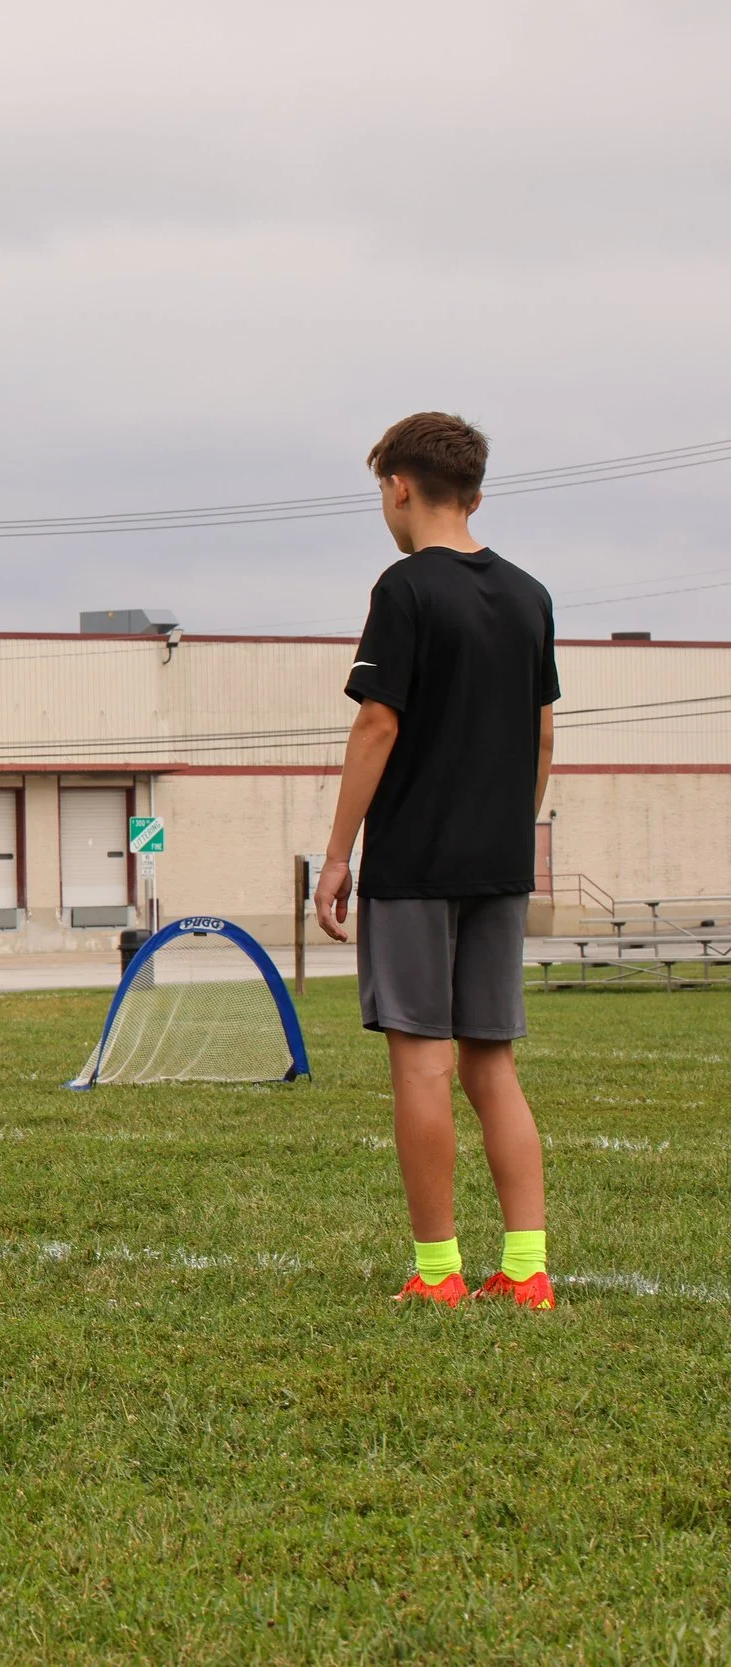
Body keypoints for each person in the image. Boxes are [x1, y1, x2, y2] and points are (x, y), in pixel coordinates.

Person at [314, 412, 557, 1311]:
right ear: (478, 492)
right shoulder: (531, 595)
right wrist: (506, 832)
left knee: (422, 1065)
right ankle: (527, 1270)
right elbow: (542, 738)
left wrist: (337, 857)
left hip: (414, 864)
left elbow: (378, 723)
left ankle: (438, 1272)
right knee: (492, 1062)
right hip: (501, 864)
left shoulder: (405, 589)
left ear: (398, 485)